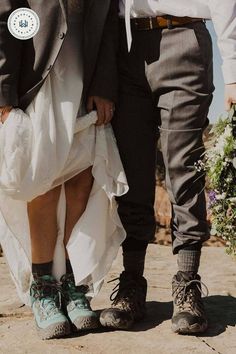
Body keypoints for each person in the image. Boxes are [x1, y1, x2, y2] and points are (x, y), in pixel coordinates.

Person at [100, 0, 236, 334]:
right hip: (125, 44)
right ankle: (131, 283)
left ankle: (187, 283)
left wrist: (233, 72)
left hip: (184, 37)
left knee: (183, 166)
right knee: (131, 170)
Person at [0, 0, 128, 340]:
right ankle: (43, 288)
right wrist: (4, 92)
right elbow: (9, 18)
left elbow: (109, 26)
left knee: (81, 178)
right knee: (42, 179)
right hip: (38, 77)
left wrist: (103, 86)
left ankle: (73, 285)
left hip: (85, 75)